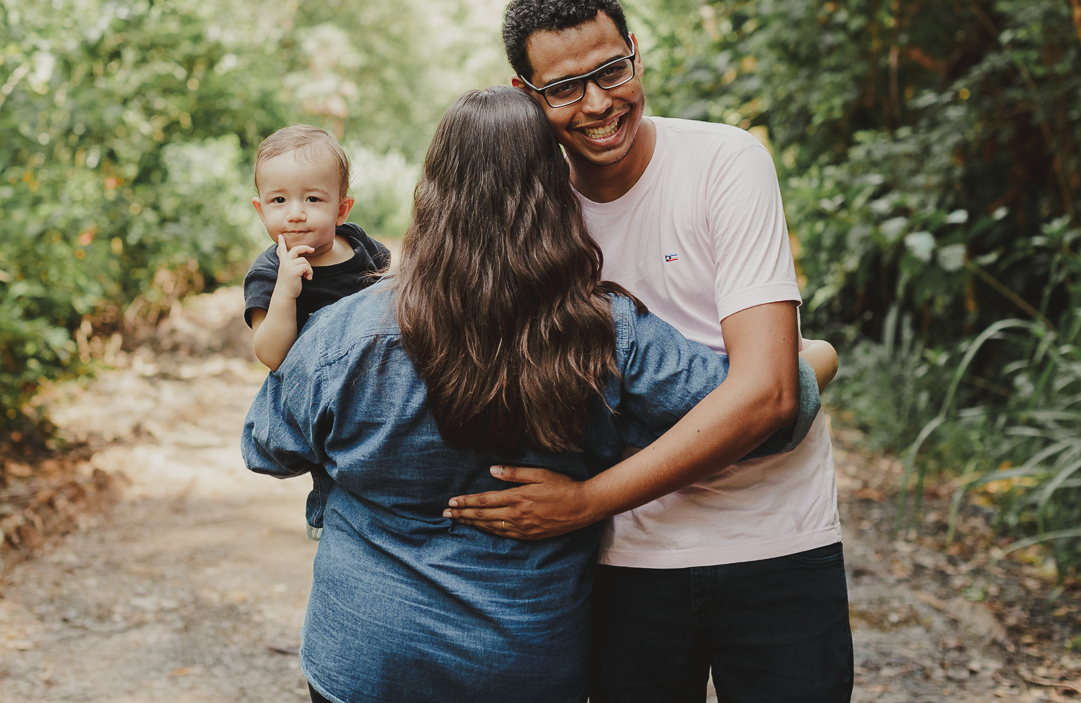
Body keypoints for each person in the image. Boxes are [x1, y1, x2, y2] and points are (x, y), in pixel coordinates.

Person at [242, 87, 834, 703]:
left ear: (434, 189)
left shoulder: (345, 333)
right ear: (554, 187)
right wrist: (816, 359)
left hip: (369, 652)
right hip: (523, 658)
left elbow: (268, 448)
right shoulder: (607, 332)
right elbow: (761, 415)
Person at [445, 0, 854, 702]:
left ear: (635, 52)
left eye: (611, 70)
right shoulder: (533, 213)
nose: (599, 103)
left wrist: (585, 499)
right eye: (566, 87)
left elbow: (766, 395)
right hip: (620, 565)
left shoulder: (725, 162)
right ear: (526, 93)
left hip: (775, 540)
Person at [244, 123, 390, 538]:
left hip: (368, 373)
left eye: (312, 198)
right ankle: (327, 515)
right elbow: (271, 354)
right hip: (313, 394)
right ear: (260, 210)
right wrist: (286, 292)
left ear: (342, 209)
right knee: (334, 461)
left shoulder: (360, 247)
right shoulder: (269, 273)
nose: (295, 212)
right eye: (279, 200)